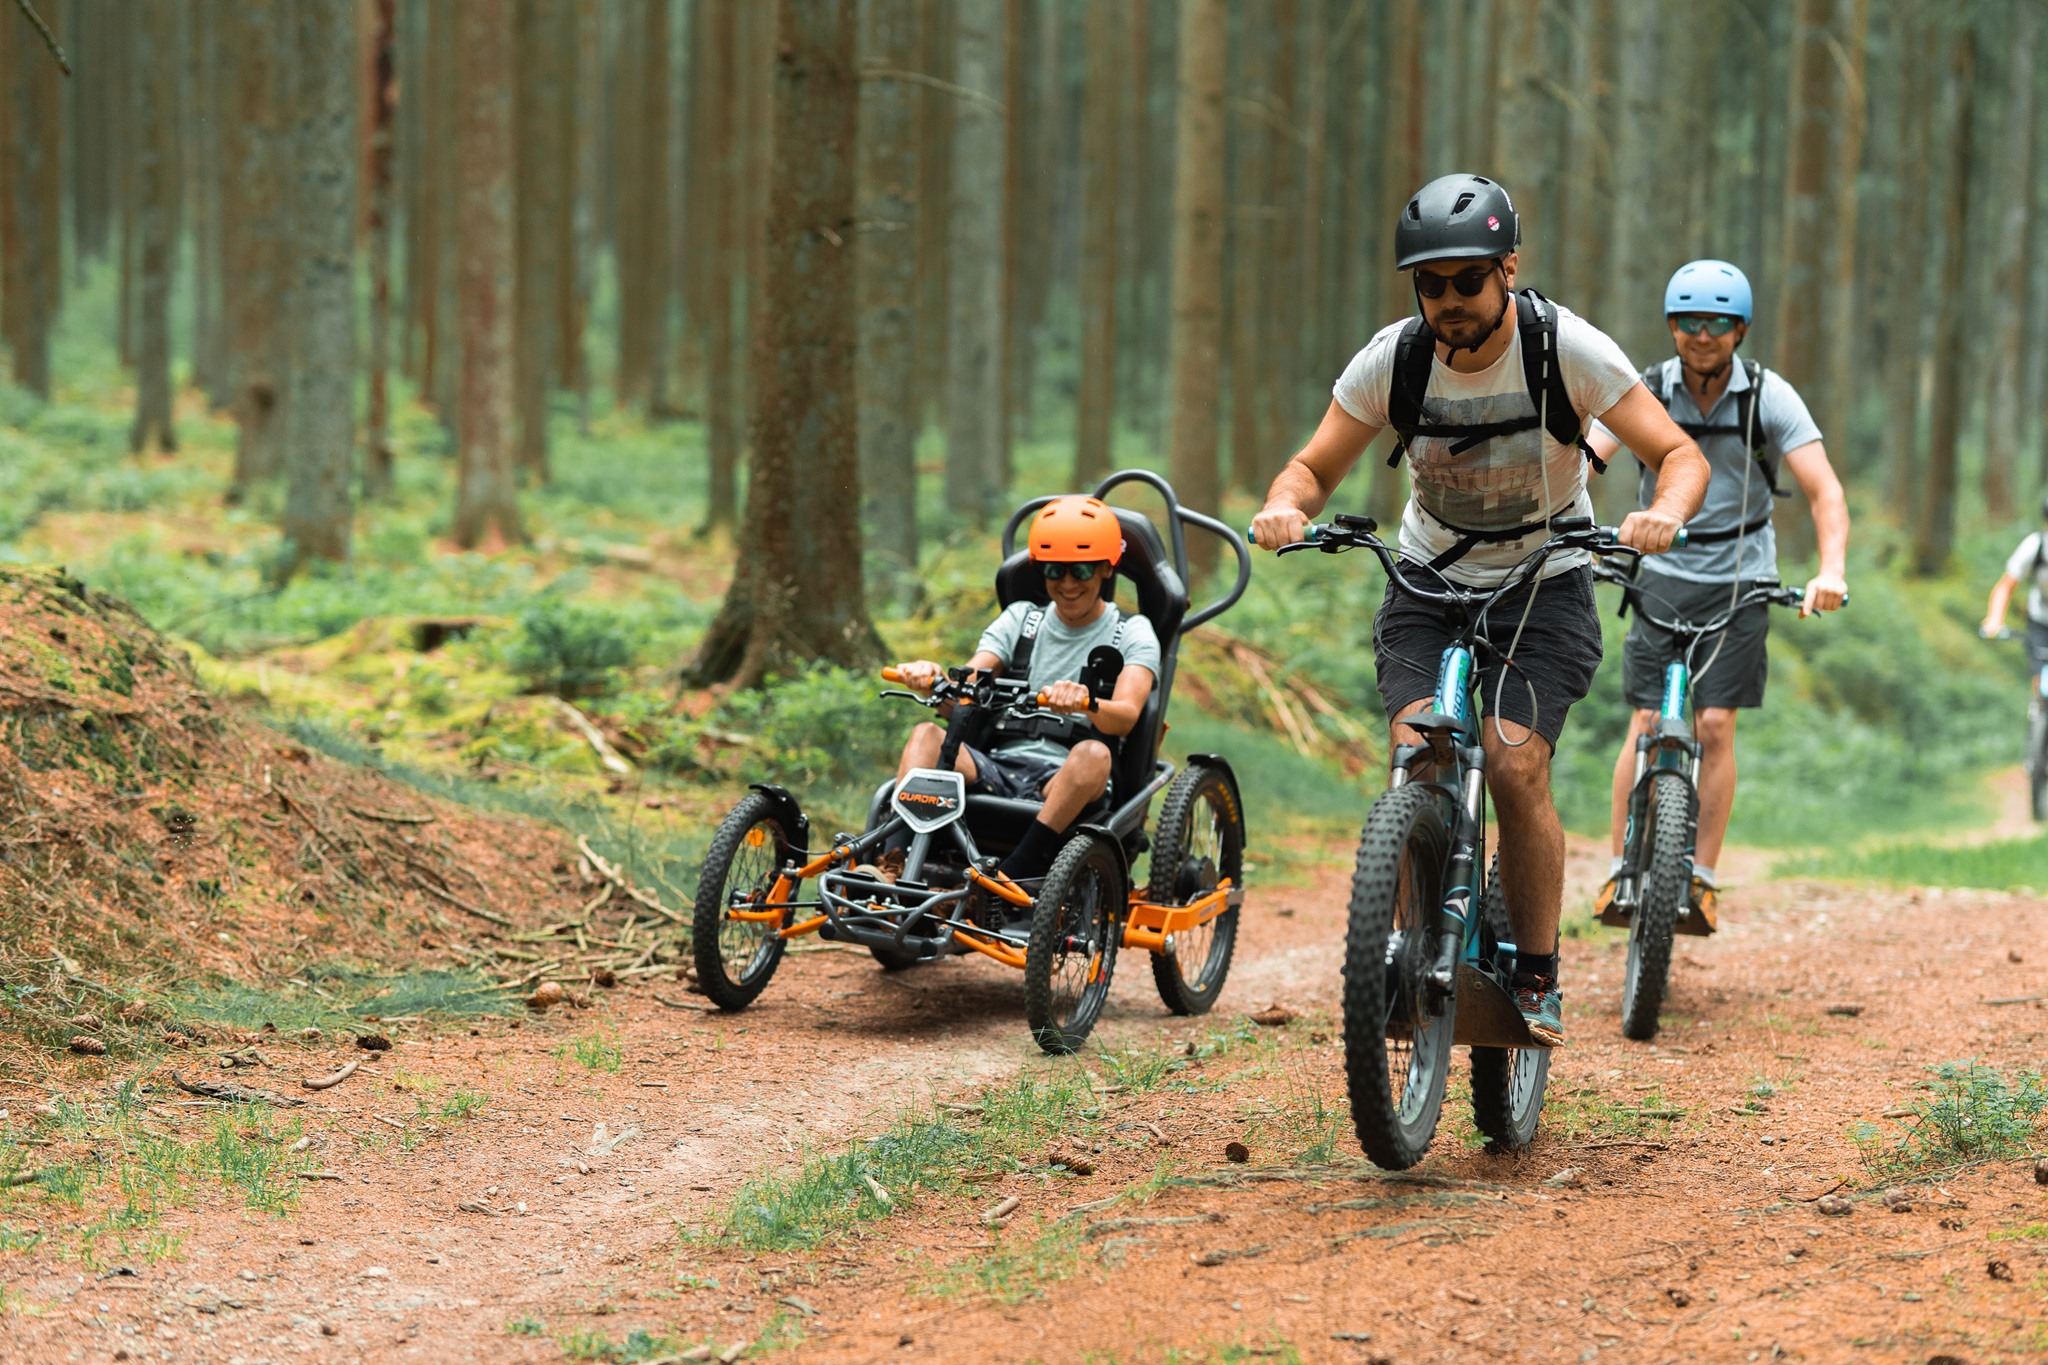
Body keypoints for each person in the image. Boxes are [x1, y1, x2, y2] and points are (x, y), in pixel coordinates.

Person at [1250, 173, 1709, 1047]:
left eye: (1467, 279)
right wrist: (1287, 505)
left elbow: (1677, 452)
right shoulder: (1395, 359)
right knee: (1416, 751)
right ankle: (1404, 949)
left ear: (1507, 268)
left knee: (1512, 764)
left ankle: (1536, 976)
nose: (1449, 300)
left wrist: (1665, 513)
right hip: (1427, 577)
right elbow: (1310, 468)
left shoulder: (1566, 349)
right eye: (1431, 283)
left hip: (1546, 582)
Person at [1588, 260, 1848, 933]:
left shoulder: (1769, 396)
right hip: (1661, 571)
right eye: (1690, 322)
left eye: (1718, 324)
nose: (1703, 336)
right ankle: (1620, 867)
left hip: (1741, 578)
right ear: (1672, 326)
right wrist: (1569, 526)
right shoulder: (1643, 389)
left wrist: (1832, 569)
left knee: (1715, 726)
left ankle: (1699, 876)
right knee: (1646, 720)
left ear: (1741, 330)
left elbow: (1824, 490)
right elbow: (1588, 457)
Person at [883, 495, 1161, 885]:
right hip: (998, 765)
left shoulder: (1132, 632)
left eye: (1080, 570)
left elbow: (1127, 716)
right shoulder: (1021, 619)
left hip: (1068, 778)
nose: (1066, 584)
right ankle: (890, 863)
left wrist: (1087, 701)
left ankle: (1015, 873)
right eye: (1054, 570)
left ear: (1104, 569)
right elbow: (969, 689)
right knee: (926, 736)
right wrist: (931, 680)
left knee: (1094, 754)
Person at [1979, 494, 2048, 677]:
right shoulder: (2034, 546)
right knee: (2041, 676)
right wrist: (1994, 619)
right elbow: (2005, 587)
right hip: (2040, 619)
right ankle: (2038, 703)